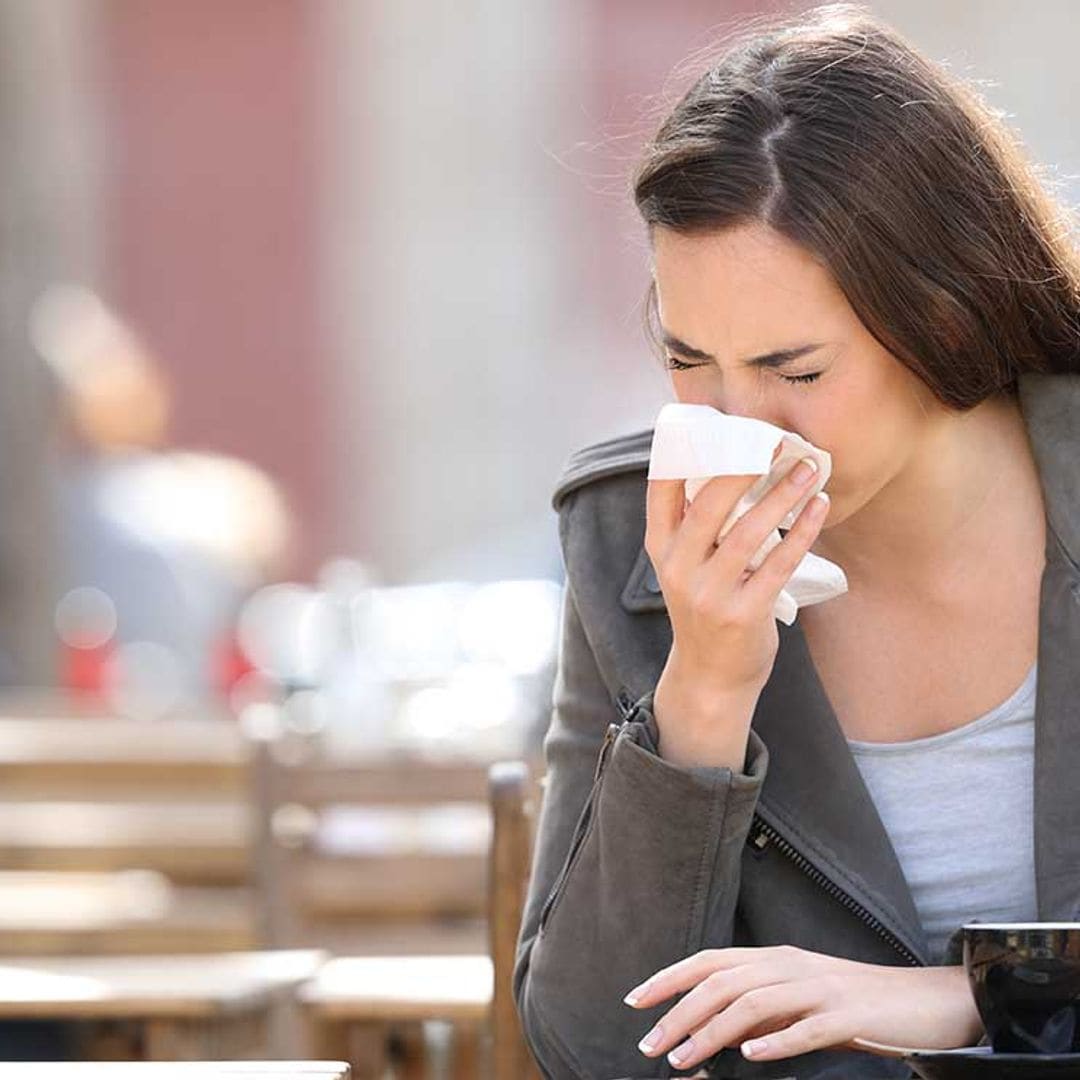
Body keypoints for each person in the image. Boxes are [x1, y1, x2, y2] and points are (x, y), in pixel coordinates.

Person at [513, 5, 1080, 1079]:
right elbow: (589, 1048)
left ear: (942, 317)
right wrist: (702, 702)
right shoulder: (628, 542)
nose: (742, 425)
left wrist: (961, 998)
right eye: (690, 359)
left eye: (798, 371)